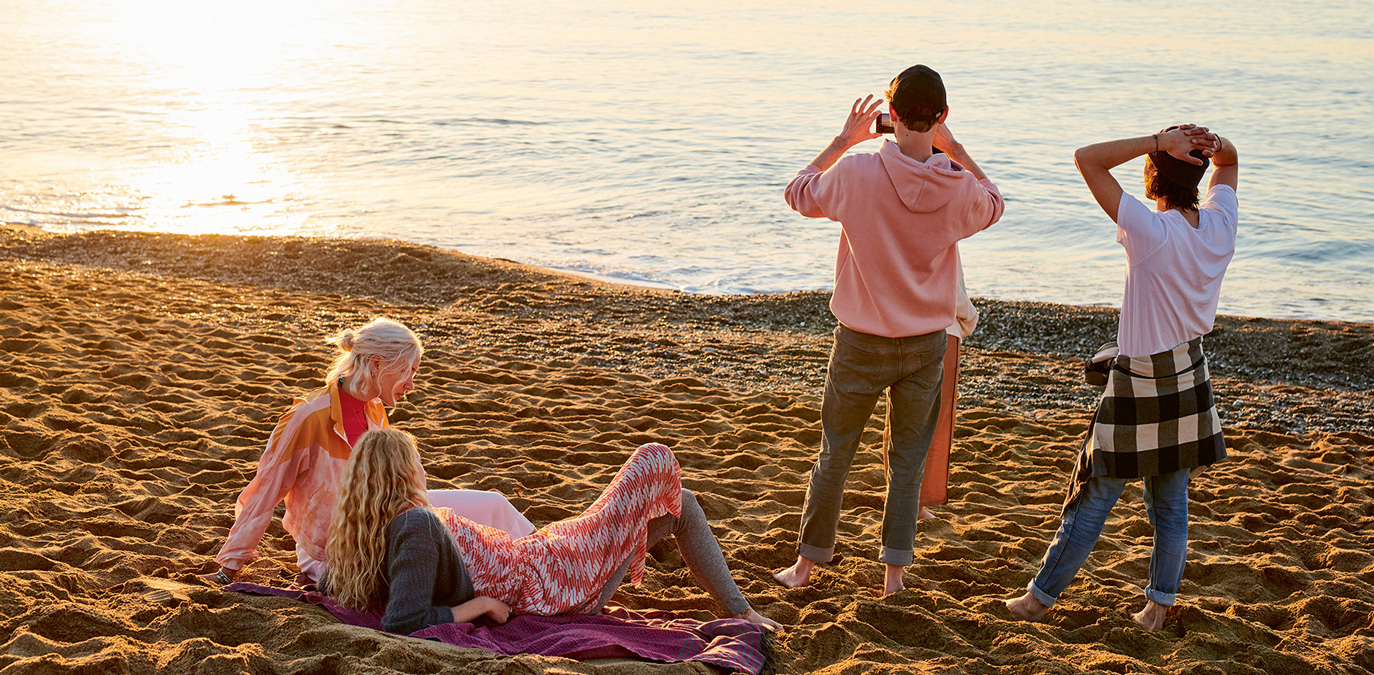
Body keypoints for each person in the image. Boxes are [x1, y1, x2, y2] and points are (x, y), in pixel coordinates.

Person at [773, 65, 1005, 597]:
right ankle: (893, 574)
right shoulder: (957, 185)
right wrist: (957, 147)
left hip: (859, 340)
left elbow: (797, 192)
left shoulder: (855, 172)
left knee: (836, 451)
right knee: (907, 461)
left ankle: (807, 565)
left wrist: (842, 140)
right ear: (940, 117)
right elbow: (994, 203)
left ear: (890, 116)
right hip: (924, 345)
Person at [1006, 125, 1238, 631]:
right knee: (1171, 503)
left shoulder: (1149, 231)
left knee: (1094, 498)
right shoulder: (1220, 226)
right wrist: (1209, 143)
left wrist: (1159, 139)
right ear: (1197, 175)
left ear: (1153, 176)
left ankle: (1037, 601)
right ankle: (1158, 608)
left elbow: (1086, 157)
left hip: (1140, 380)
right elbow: (1231, 165)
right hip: (1189, 374)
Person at [323, 429, 782, 634]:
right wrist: (479, 605)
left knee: (673, 505)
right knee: (657, 461)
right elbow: (404, 621)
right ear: (402, 475)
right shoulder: (415, 524)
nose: (425, 472)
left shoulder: (362, 535)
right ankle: (741, 613)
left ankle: (739, 609)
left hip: (546, 557)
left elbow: (331, 582)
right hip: (559, 581)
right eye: (418, 464)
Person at [200, 317, 534, 585]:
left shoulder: (375, 412)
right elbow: (265, 491)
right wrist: (228, 567)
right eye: (408, 371)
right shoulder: (309, 417)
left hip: (388, 522)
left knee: (494, 505)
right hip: (338, 551)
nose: (411, 385)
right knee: (453, 549)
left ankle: (548, 557)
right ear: (376, 364)